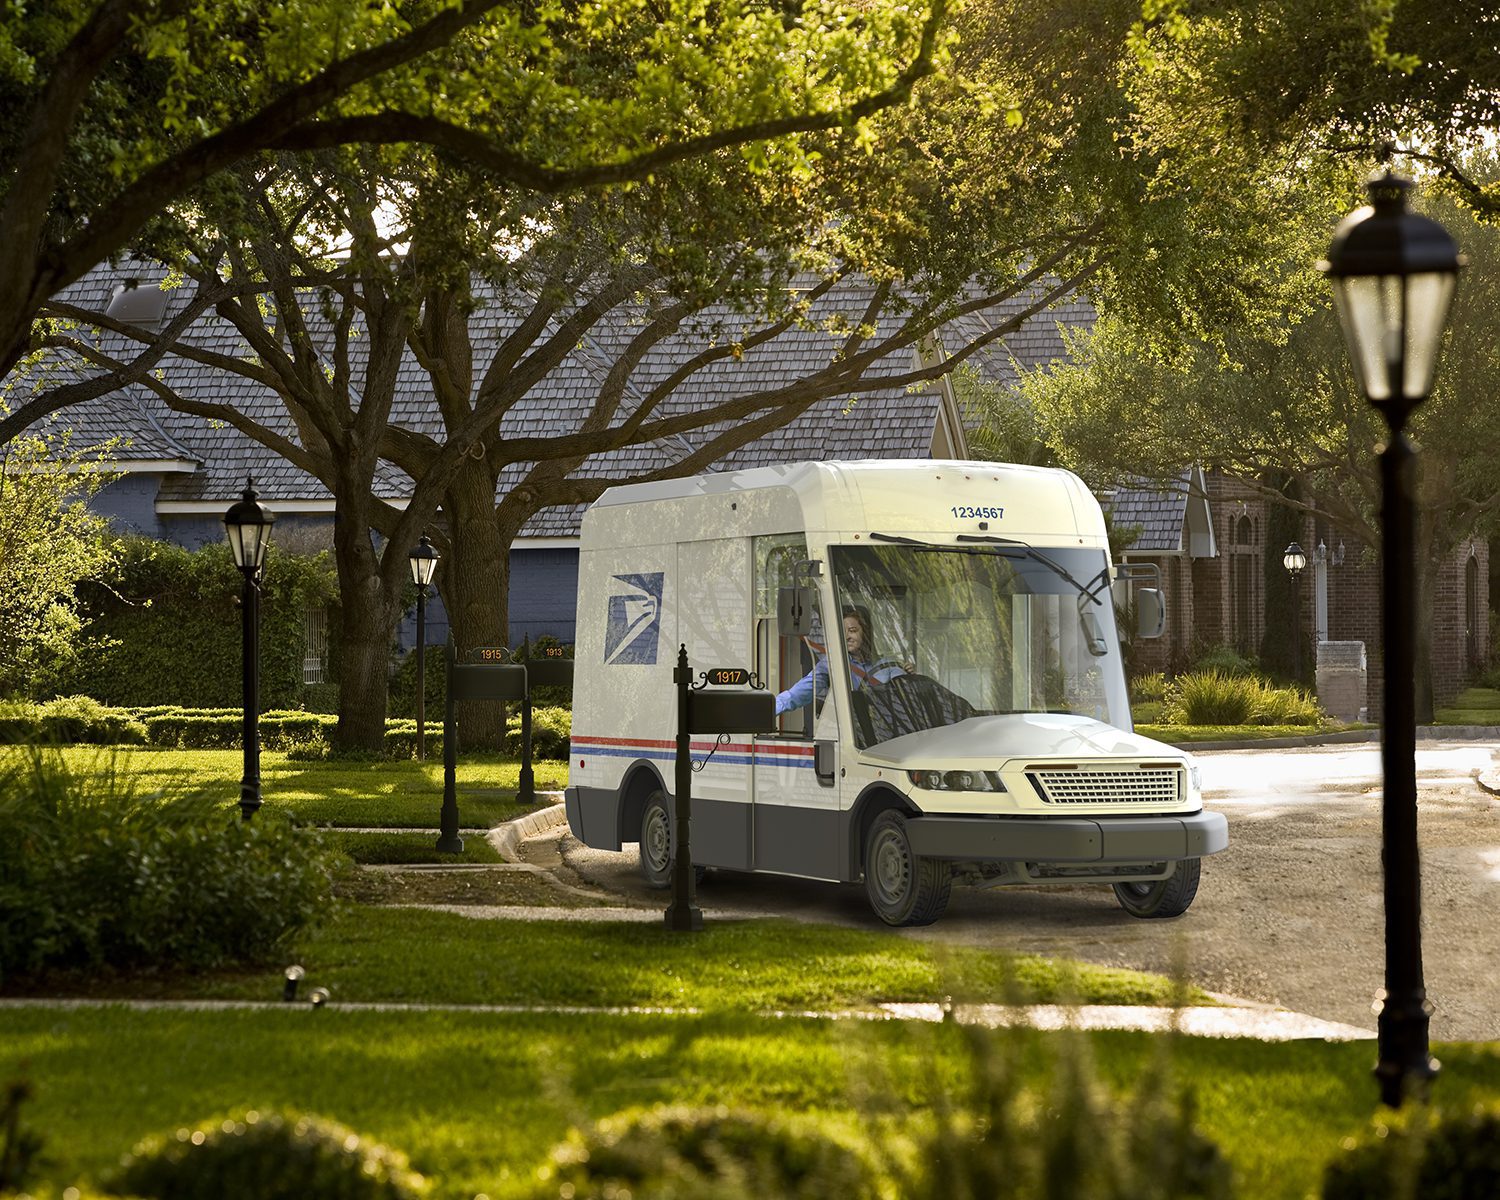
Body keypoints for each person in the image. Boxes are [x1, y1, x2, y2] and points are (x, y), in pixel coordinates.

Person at [774, 606, 904, 715]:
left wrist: (911, 675)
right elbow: (798, 694)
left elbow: (906, 697)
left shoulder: (888, 666)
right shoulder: (832, 665)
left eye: (852, 631)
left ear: (866, 632)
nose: (847, 637)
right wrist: (767, 708)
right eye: (842, 632)